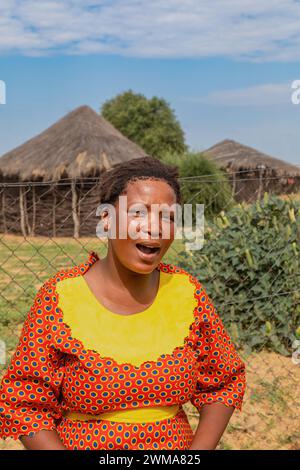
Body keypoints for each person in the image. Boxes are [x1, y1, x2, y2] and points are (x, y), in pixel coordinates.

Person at [0, 156, 246, 450]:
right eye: (139, 213)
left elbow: (224, 381)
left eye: (167, 217)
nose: (154, 229)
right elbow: (26, 402)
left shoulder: (187, 293)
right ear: (106, 219)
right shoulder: (60, 297)